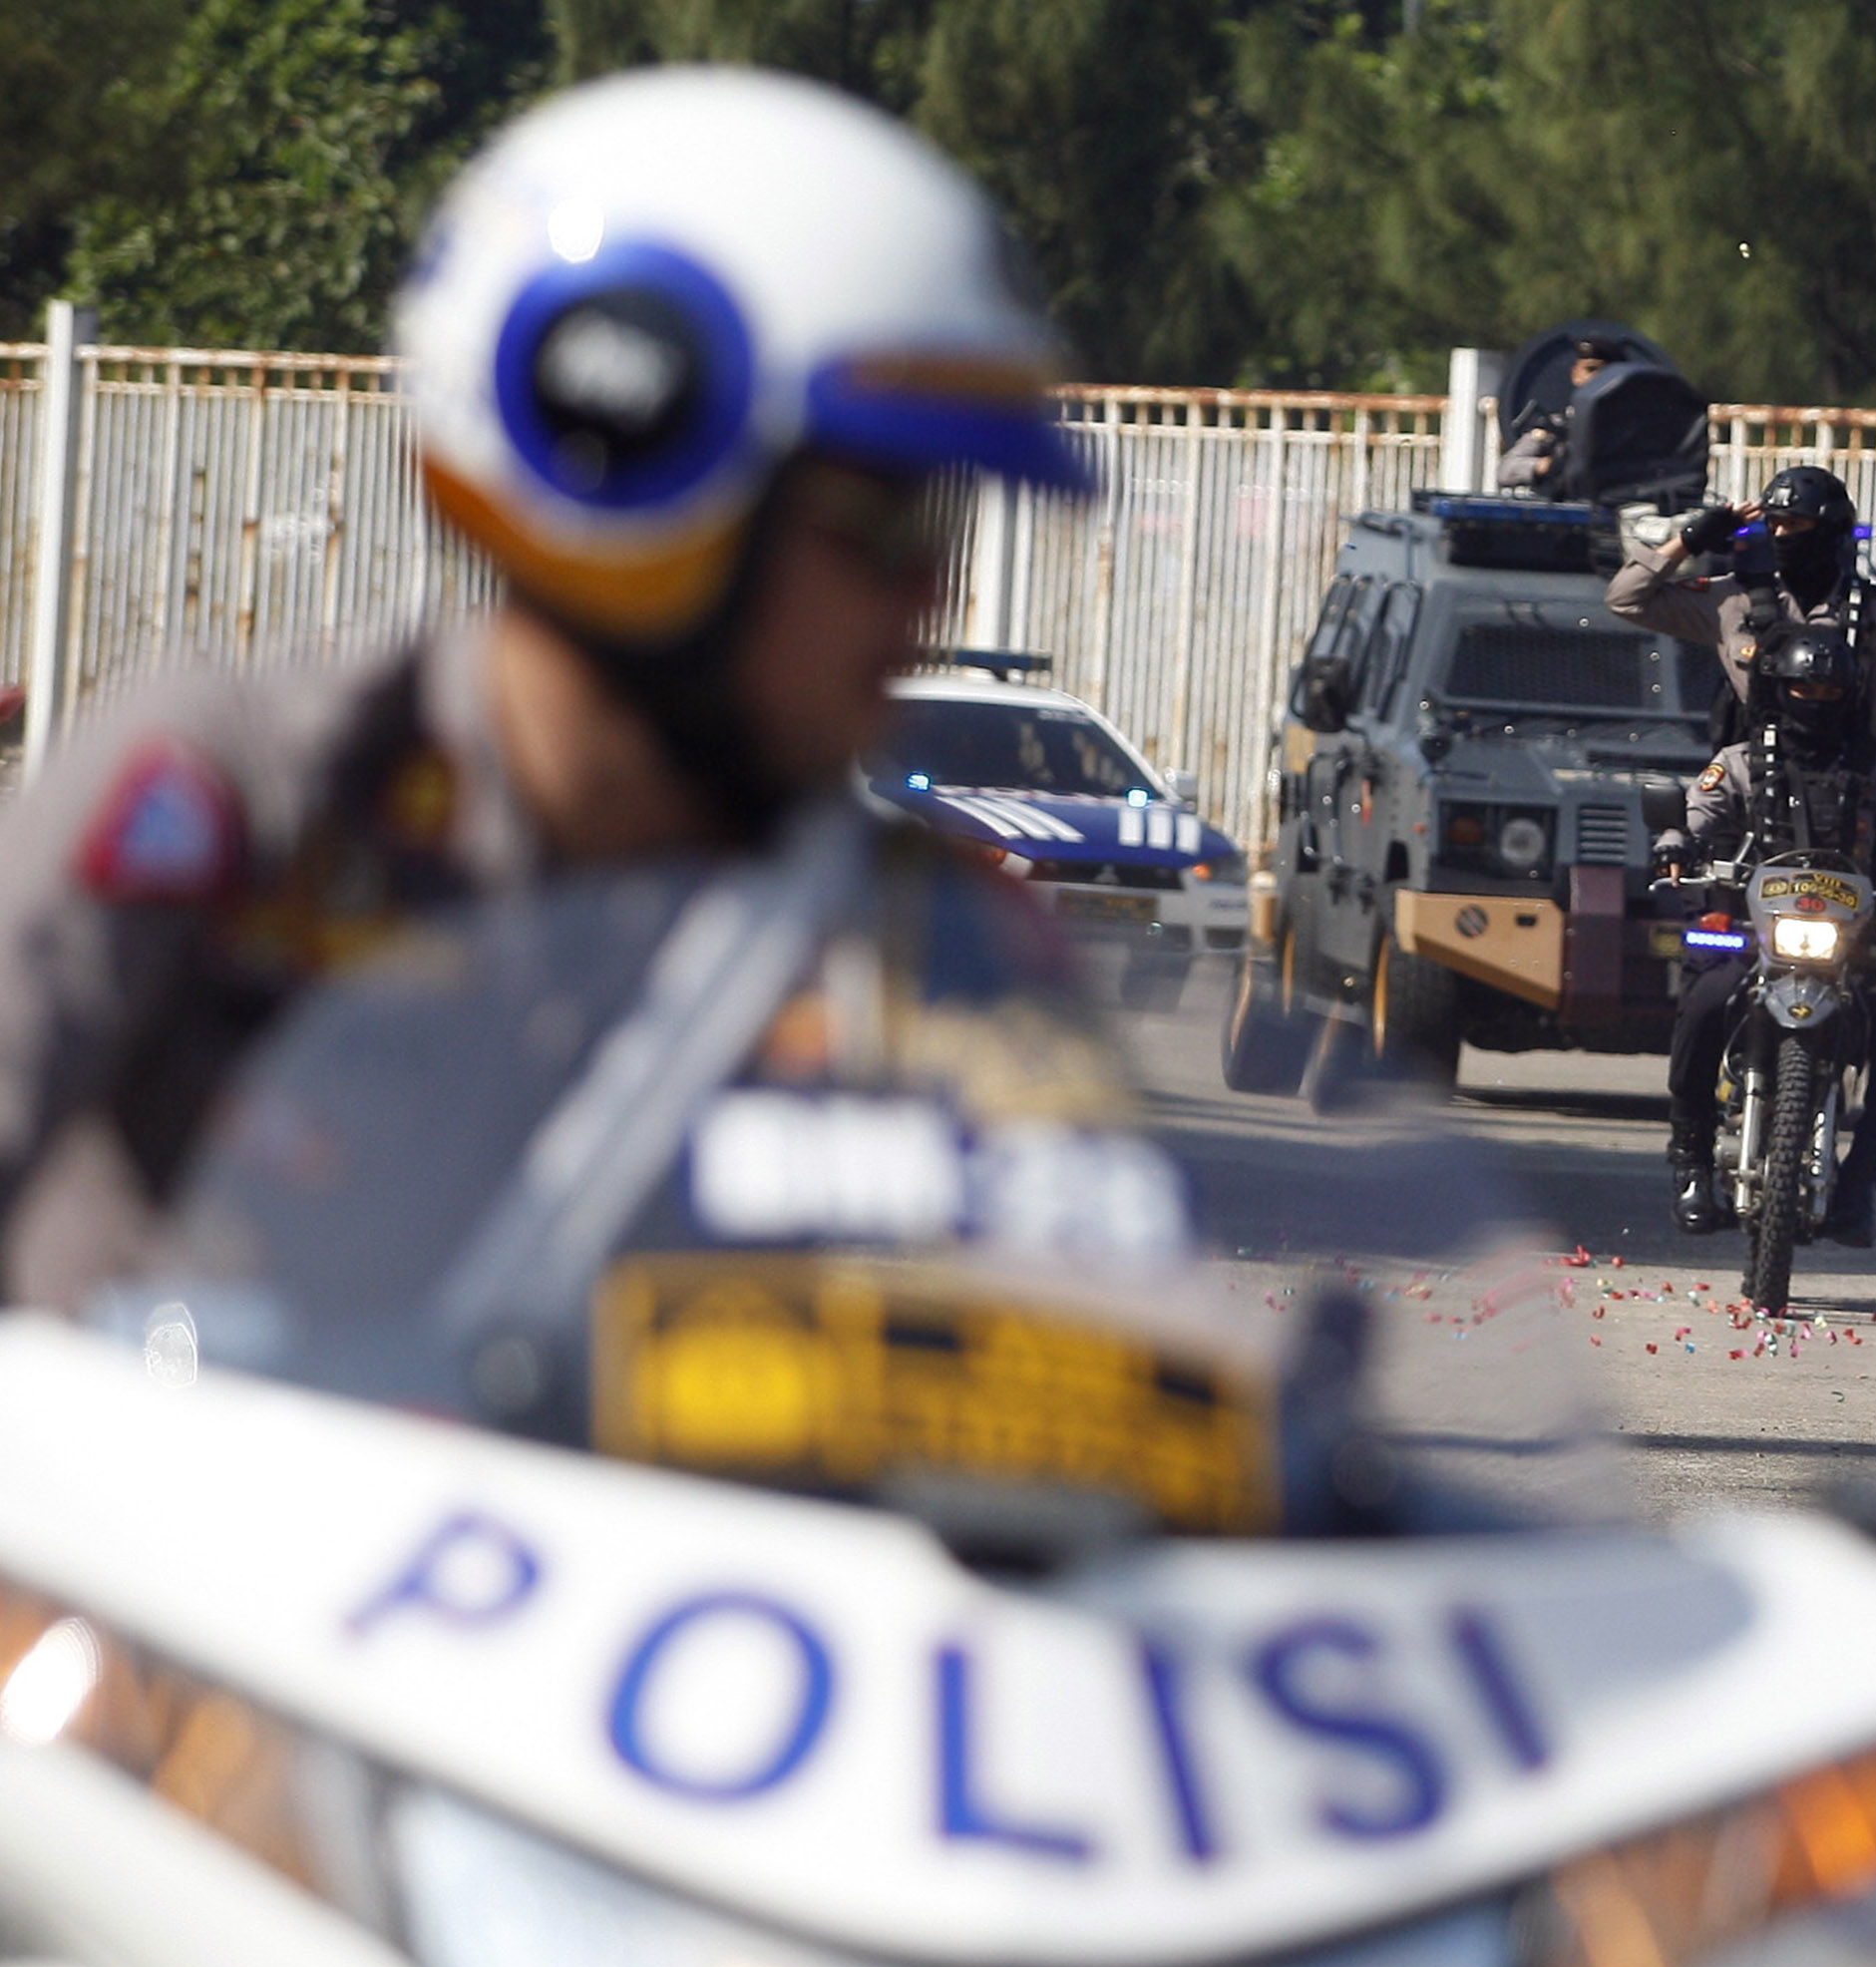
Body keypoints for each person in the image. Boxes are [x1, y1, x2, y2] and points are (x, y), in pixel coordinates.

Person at [0, 65, 1090, 1317]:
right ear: (638, 458)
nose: (927, 605)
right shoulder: (239, 789)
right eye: (878, 527)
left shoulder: (902, 936)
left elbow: (1075, 1318)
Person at [1656, 626, 1876, 1244]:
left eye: (1829, 687)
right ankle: (1691, 1163)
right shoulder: (1738, 761)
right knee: (1706, 1002)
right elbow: (1694, 815)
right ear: (1777, 690)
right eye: (1803, 685)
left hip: (1850, 939)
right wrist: (1680, 842)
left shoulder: (1873, 769)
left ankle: (1861, 1183)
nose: (1816, 697)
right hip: (1753, 931)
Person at [1610, 463, 1876, 761]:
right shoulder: (1732, 599)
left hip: (1843, 782)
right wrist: (1690, 540)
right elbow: (1626, 598)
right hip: (1753, 782)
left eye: (1794, 525)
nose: (1780, 535)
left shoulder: (1870, 612)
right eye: (1773, 523)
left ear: (1828, 528)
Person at [1494, 336, 1621, 491]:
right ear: (1576, 375)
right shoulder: (1557, 426)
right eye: (1590, 370)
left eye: (1605, 372)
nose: (1596, 378)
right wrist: (1549, 465)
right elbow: (1506, 470)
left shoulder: (1631, 427)